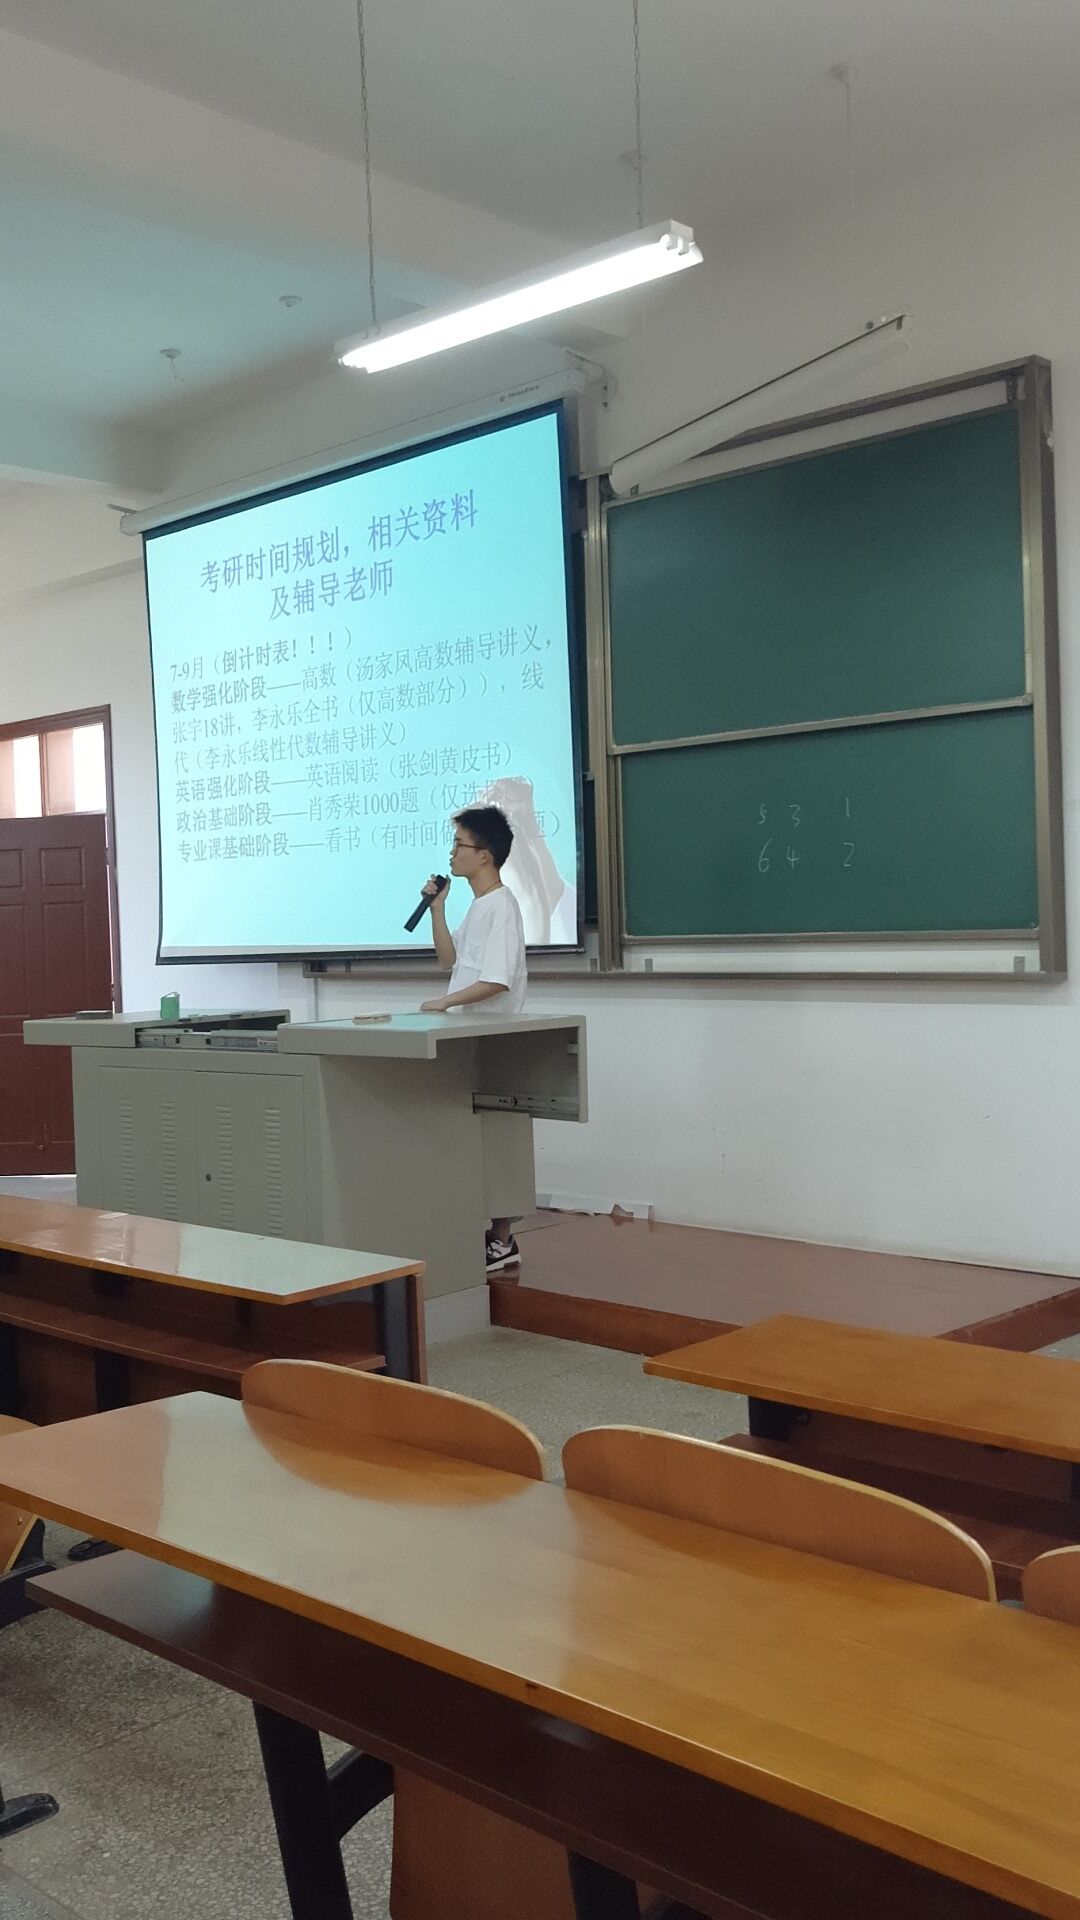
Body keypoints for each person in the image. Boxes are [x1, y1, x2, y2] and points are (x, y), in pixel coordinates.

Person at [419, 805, 526, 1272]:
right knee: (469, 1138)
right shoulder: (480, 906)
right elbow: (449, 960)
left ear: (484, 855)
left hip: (493, 1041)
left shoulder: (502, 905)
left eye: (459, 844)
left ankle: (502, 1241)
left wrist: (445, 1003)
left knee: (498, 1140)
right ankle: (479, 1233)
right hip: (466, 1038)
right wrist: (438, 909)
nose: (452, 853)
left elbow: (497, 980)